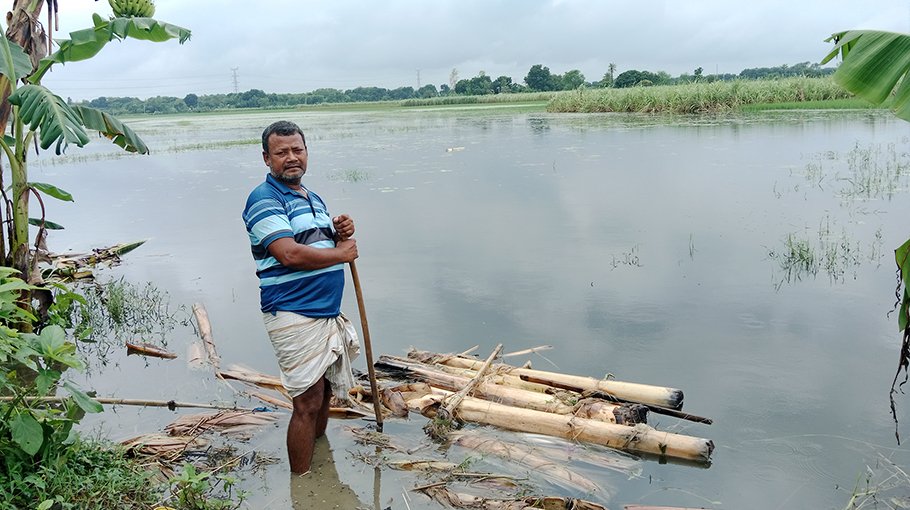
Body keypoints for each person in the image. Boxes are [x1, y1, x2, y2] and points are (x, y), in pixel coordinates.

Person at [242, 120, 360, 474]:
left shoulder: (313, 196)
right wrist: (343, 254)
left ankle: (321, 465)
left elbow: (325, 247)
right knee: (307, 402)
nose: (291, 158)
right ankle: (303, 482)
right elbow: (289, 254)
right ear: (267, 159)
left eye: (297, 150)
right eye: (282, 153)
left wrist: (342, 234)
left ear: (307, 152)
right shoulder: (264, 199)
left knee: (322, 393)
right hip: (293, 312)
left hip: (325, 312)